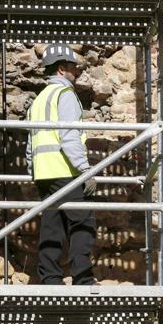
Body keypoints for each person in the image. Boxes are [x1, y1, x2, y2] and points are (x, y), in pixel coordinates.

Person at [25, 43, 97, 285]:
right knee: (82, 222)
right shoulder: (65, 95)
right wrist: (85, 169)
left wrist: (32, 169)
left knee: (51, 225)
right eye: (72, 68)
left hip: (44, 173)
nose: (76, 72)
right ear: (61, 69)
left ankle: (50, 278)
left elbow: (29, 141)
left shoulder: (39, 99)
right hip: (66, 169)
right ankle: (83, 278)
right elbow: (69, 135)